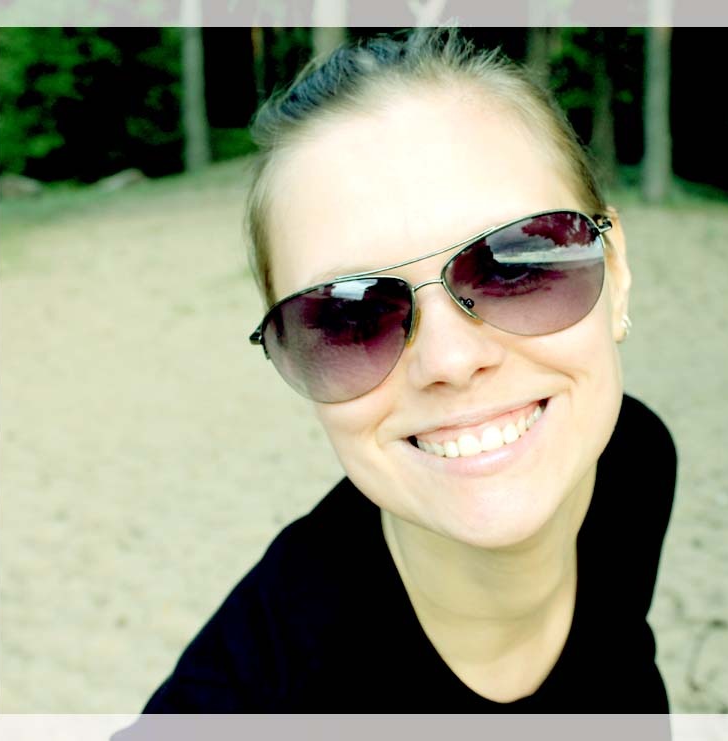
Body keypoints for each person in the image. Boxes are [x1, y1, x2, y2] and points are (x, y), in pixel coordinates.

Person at [138, 27, 676, 716]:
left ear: (616, 269)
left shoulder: (633, 462)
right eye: (350, 315)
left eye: (517, 265)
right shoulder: (256, 694)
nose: (450, 361)